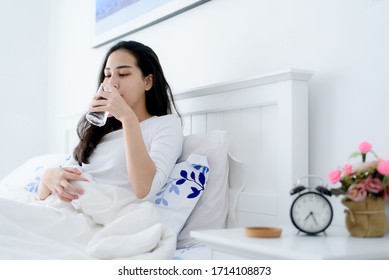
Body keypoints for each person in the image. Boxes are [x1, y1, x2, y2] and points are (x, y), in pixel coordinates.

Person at [38, 40, 183, 202]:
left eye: (123, 74)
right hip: (63, 208)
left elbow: (145, 190)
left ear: (147, 81)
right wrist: (48, 177)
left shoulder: (165, 126)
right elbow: (46, 195)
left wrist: (128, 119)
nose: (112, 83)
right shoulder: (99, 131)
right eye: (107, 75)